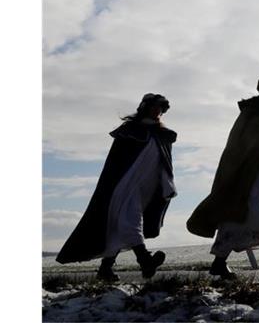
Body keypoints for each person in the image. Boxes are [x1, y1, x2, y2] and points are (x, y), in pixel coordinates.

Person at [187, 72, 259, 280]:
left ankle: (219, 263)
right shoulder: (258, 112)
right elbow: (241, 146)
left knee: (236, 218)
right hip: (250, 176)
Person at [56, 93, 177, 282]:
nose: (158, 111)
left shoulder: (162, 135)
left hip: (147, 187)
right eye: (154, 107)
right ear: (145, 107)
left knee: (118, 227)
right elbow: (115, 162)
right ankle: (145, 260)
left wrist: (166, 185)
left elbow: (165, 164)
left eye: (161, 109)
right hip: (124, 184)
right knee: (130, 220)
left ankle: (105, 269)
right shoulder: (129, 131)